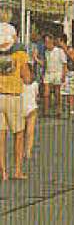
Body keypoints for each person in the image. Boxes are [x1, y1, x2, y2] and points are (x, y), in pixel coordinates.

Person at [0, 23, 33, 180]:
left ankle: (3, 171)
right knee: (18, 134)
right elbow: (27, 78)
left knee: (1, 135)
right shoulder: (19, 54)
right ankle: (17, 170)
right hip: (13, 97)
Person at [42, 34, 66, 117]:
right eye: (45, 42)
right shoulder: (46, 52)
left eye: (48, 41)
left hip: (57, 73)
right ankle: (46, 111)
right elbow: (45, 63)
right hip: (48, 73)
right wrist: (36, 59)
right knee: (46, 93)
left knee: (57, 93)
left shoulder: (59, 51)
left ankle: (58, 110)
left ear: (52, 41)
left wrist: (63, 75)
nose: (46, 44)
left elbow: (64, 64)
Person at [58, 35, 74, 116]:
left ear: (62, 41)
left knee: (71, 92)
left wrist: (66, 51)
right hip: (62, 71)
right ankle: (61, 109)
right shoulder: (59, 50)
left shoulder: (70, 49)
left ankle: (71, 109)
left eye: (59, 41)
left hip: (70, 71)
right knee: (61, 91)